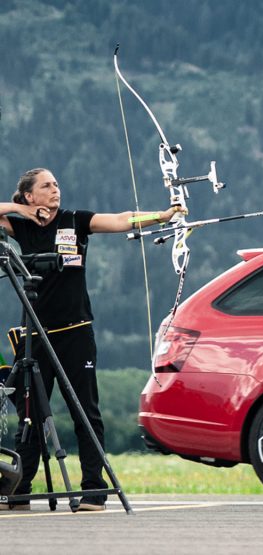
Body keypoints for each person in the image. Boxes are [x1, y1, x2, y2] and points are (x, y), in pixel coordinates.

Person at [0, 167, 180, 511]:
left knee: (84, 410)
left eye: (56, 184)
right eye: (47, 186)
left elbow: (121, 220)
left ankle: (94, 491)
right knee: (30, 414)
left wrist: (163, 215)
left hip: (75, 331)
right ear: (29, 195)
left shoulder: (74, 220)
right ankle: (19, 488)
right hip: (36, 331)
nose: (56, 189)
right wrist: (21, 211)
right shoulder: (19, 224)